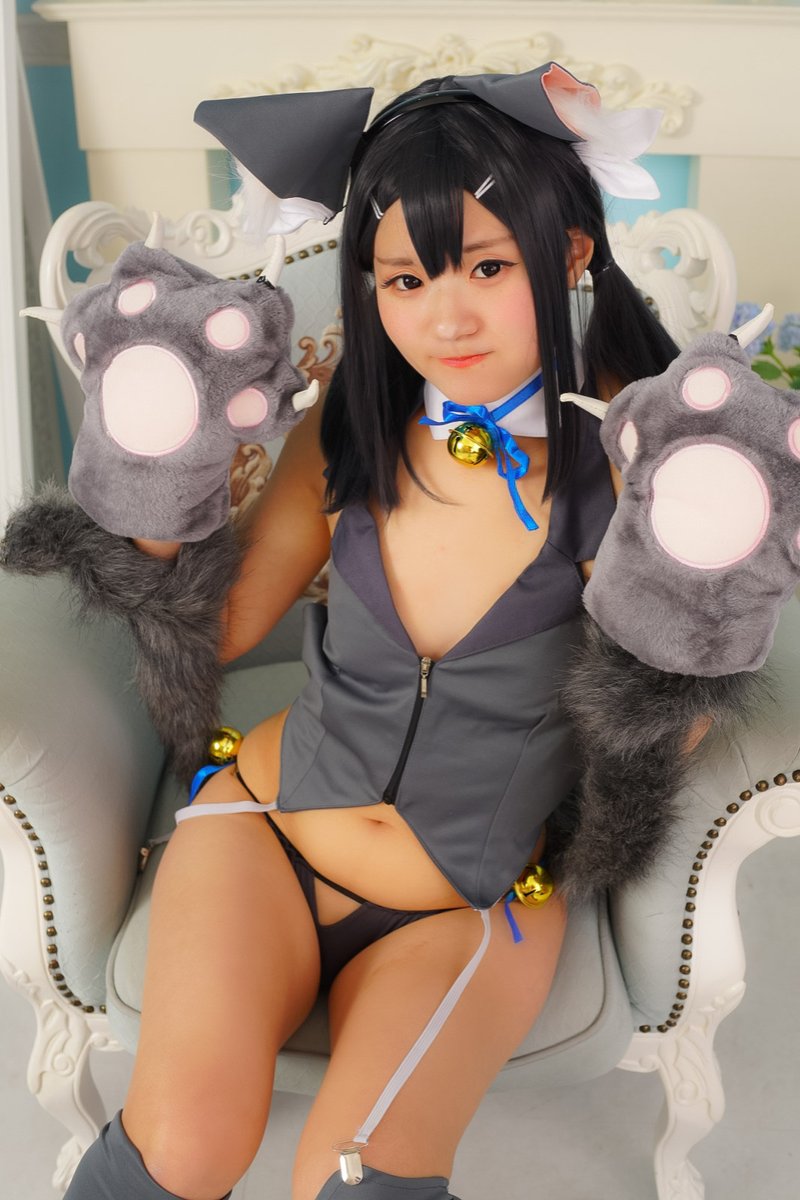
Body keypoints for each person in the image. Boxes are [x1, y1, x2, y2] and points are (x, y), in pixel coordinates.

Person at [62, 65, 680, 1200]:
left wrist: (686, 581)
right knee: (181, 1148)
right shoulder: (351, 427)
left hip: (469, 903)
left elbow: (665, 730)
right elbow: (223, 628)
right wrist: (155, 475)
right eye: (404, 278)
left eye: (486, 267)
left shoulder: (636, 476)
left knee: (359, 1185)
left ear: (569, 253)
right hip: (264, 829)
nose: (444, 317)